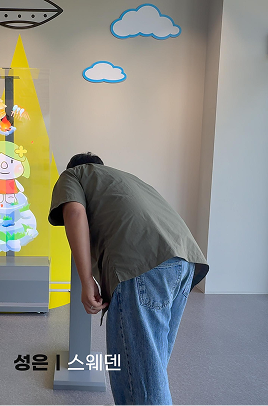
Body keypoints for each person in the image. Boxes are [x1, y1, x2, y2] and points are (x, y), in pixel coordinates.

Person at [48, 153, 209, 406]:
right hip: (184, 260)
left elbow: (75, 214)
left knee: (144, 379)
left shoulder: (74, 175)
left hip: (142, 264)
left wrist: (87, 280)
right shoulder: (126, 179)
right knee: (149, 366)